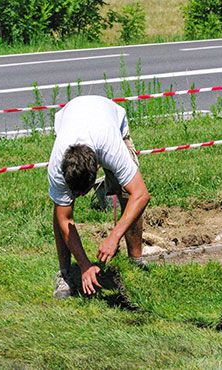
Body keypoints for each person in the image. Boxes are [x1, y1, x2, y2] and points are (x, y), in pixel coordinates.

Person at [48, 95, 150, 299]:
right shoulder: (57, 166)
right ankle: (65, 274)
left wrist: (113, 237)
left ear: (96, 170)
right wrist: (84, 265)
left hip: (109, 118)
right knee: (62, 206)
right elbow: (65, 218)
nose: (79, 196)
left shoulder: (111, 149)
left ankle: (135, 262)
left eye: (83, 192)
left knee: (126, 194)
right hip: (72, 115)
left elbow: (141, 194)